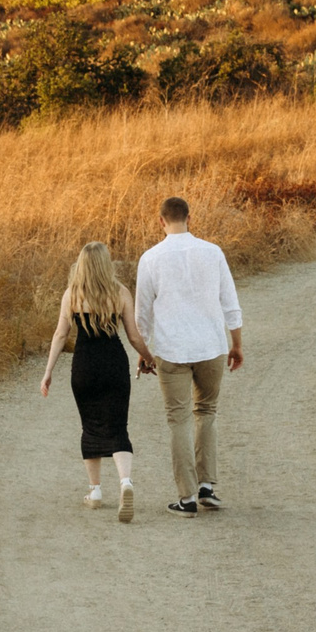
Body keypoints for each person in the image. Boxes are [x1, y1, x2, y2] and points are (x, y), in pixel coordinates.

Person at [133, 195, 243, 517]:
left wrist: (144, 353)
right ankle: (208, 485)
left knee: (178, 419)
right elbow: (230, 303)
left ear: (161, 221)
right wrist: (236, 344)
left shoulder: (151, 258)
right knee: (207, 412)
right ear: (189, 218)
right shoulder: (213, 252)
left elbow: (141, 317)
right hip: (211, 346)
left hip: (171, 350)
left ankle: (186, 498)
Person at [38, 241, 157, 522]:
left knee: (90, 425)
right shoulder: (120, 293)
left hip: (85, 366)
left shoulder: (72, 295)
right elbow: (134, 336)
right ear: (107, 264)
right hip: (113, 364)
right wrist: (149, 358)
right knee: (117, 425)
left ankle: (95, 491)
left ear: (82, 264)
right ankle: (125, 482)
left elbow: (59, 335)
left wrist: (48, 371)